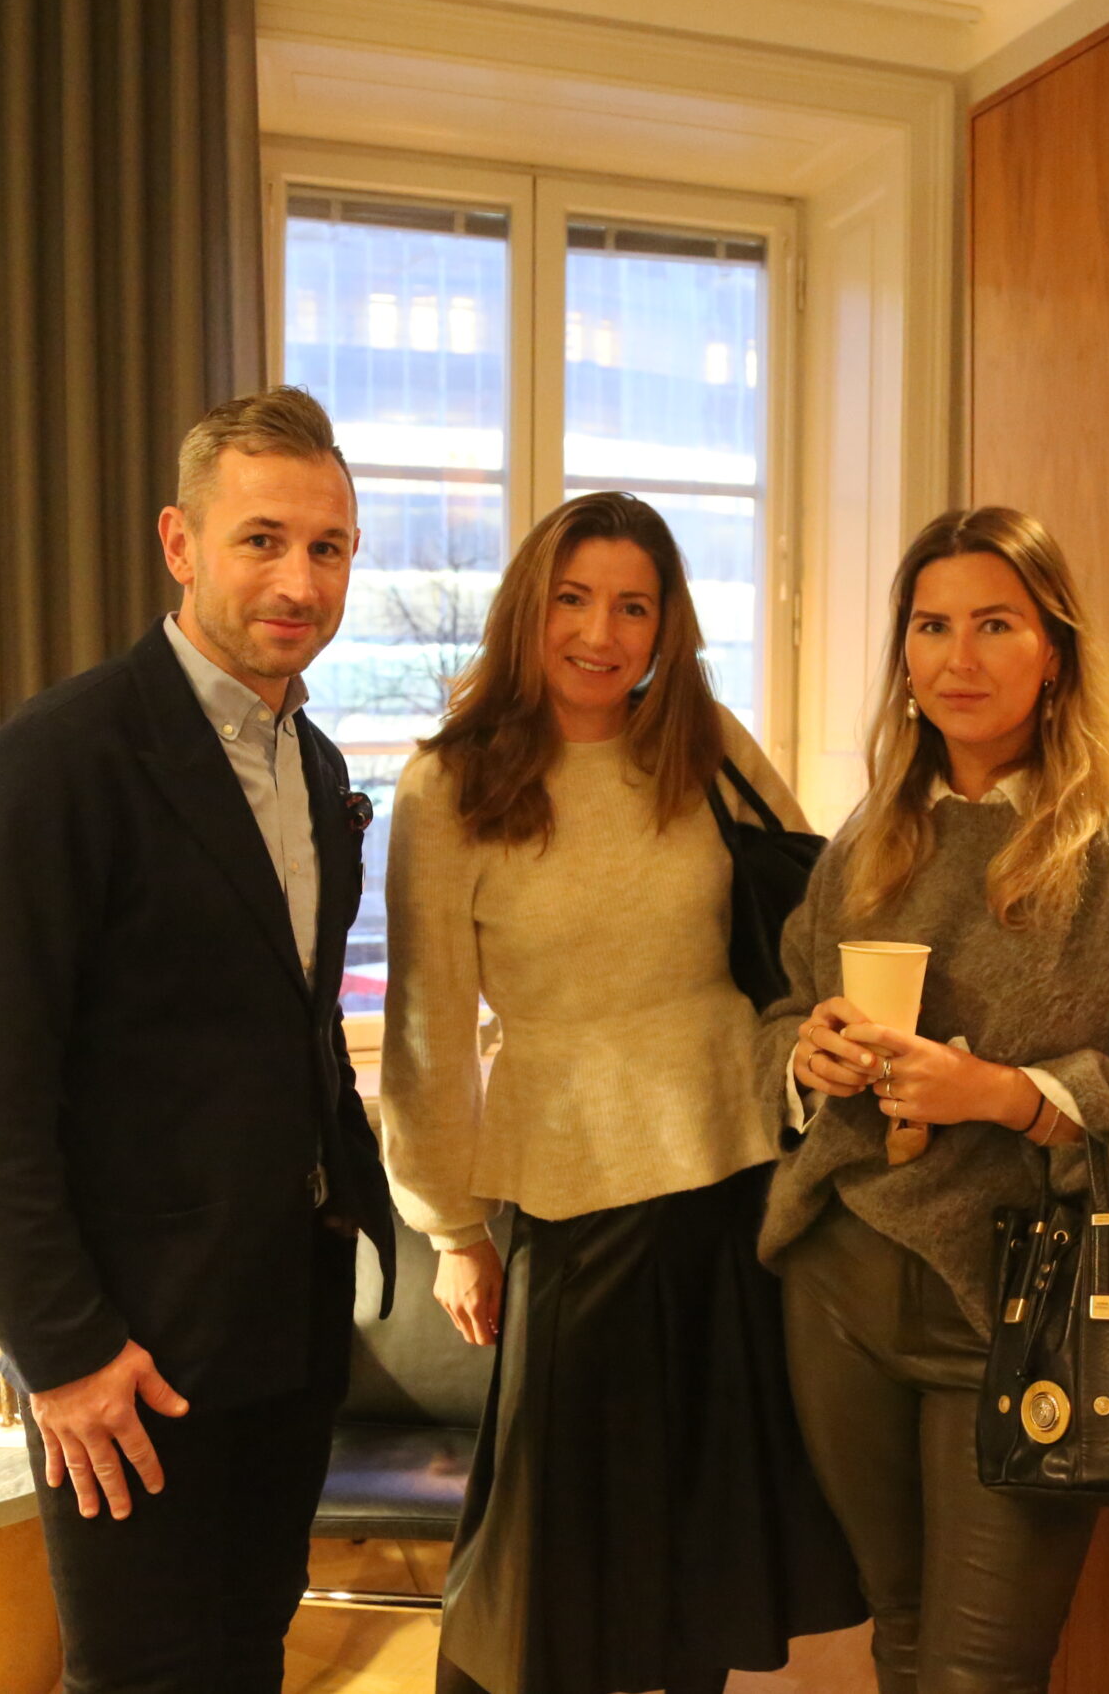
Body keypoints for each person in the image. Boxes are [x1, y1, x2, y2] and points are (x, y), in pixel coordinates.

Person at [0, 387, 393, 1693]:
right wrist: (64, 1351)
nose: (299, 579)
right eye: (262, 540)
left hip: (287, 1317)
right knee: (142, 1673)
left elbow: (289, 1027)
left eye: (328, 546)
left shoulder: (316, 770)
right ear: (180, 544)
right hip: (130, 1348)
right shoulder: (57, 763)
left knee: (249, 1646)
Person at [757, 506, 1109, 1694]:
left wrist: (1010, 1097)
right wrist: (804, 1057)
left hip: (1029, 1301)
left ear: (1056, 652)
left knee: (981, 1670)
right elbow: (787, 1006)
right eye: (931, 627)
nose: (958, 659)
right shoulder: (872, 835)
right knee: (900, 1630)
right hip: (842, 1285)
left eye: (995, 625)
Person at [383, 491, 866, 1694]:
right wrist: (450, 1231)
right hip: (571, 1194)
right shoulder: (448, 785)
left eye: (633, 606)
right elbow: (428, 1029)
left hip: (735, 1180)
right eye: (573, 599)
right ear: (527, 607)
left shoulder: (707, 747)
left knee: (703, 1543)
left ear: (667, 625)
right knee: (549, 1563)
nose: (600, 633)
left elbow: (814, 925)